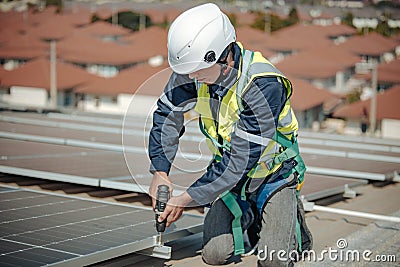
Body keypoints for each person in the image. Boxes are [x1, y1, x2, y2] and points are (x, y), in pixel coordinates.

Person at [148, 3, 312, 266]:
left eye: (198, 69)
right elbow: (167, 117)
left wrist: (185, 199)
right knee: (214, 255)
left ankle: (289, 215)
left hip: (274, 175)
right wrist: (160, 171)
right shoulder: (195, 70)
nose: (191, 77)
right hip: (231, 178)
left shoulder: (264, 84)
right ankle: (252, 215)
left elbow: (239, 160)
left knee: (274, 261)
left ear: (225, 58)